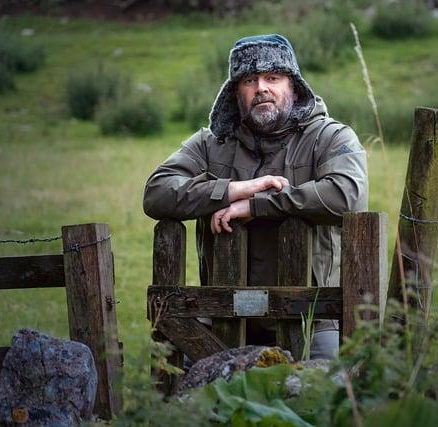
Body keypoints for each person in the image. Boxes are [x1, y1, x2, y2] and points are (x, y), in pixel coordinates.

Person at [143, 34, 368, 359]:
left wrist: (257, 205)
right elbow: (156, 192)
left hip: (314, 319)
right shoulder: (211, 143)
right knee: (202, 401)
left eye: (273, 78)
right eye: (250, 80)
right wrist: (232, 190)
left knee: (321, 400)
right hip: (223, 317)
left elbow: (348, 195)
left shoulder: (330, 137)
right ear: (236, 92)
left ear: (293, 86)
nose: (261, 88)